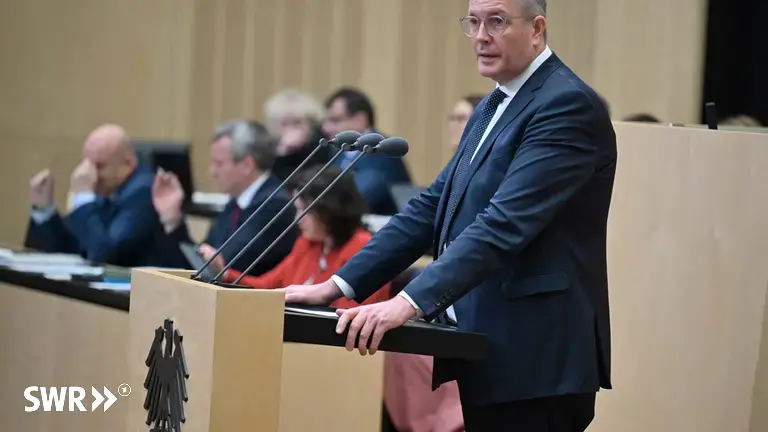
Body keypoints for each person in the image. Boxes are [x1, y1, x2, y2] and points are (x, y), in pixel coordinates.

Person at [281, 0, 616, 430]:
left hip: (539, 363)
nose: (481, 37)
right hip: (494, 356)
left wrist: (407, 302)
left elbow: (502, 225)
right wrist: (337, 285)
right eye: (473, 22)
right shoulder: (495, 104)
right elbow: (432, 206)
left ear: (537, 29)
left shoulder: (566, 106)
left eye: (497, 21)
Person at [199, 165, 390, 308]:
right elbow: (267, 287)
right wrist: (225, 273)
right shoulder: (307, 244)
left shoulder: (362, 249)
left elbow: (346, 316)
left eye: (304, 211)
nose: (297, 219)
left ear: (329, 211)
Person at [152, 120, 297, 276]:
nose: (212, 171)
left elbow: (224, 264)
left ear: (247, 165)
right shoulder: (234, 204)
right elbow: (199, 264)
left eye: (219, 163)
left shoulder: (275, 205)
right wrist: (172, 219)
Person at [24, 124, 171, 267]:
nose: (89, 174)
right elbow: (70, 250)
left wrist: (83, 201)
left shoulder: (144, 192)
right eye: (86, 164)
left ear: (127, 163)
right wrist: (44, 211)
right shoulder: (103, 193)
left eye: (99, 166)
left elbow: (104, 256)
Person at [322, 87, 412, 215]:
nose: (326, 128)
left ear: (360, 120)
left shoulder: (383, 148)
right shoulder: (337, 150)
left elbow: (357, 200)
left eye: (335, 120)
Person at [264, 89, 329, 181]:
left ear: (311, 124)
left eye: (297, 123)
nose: (291, 129)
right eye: (285, 123)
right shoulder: (270, 148)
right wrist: (282, 154)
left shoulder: (322, 145)